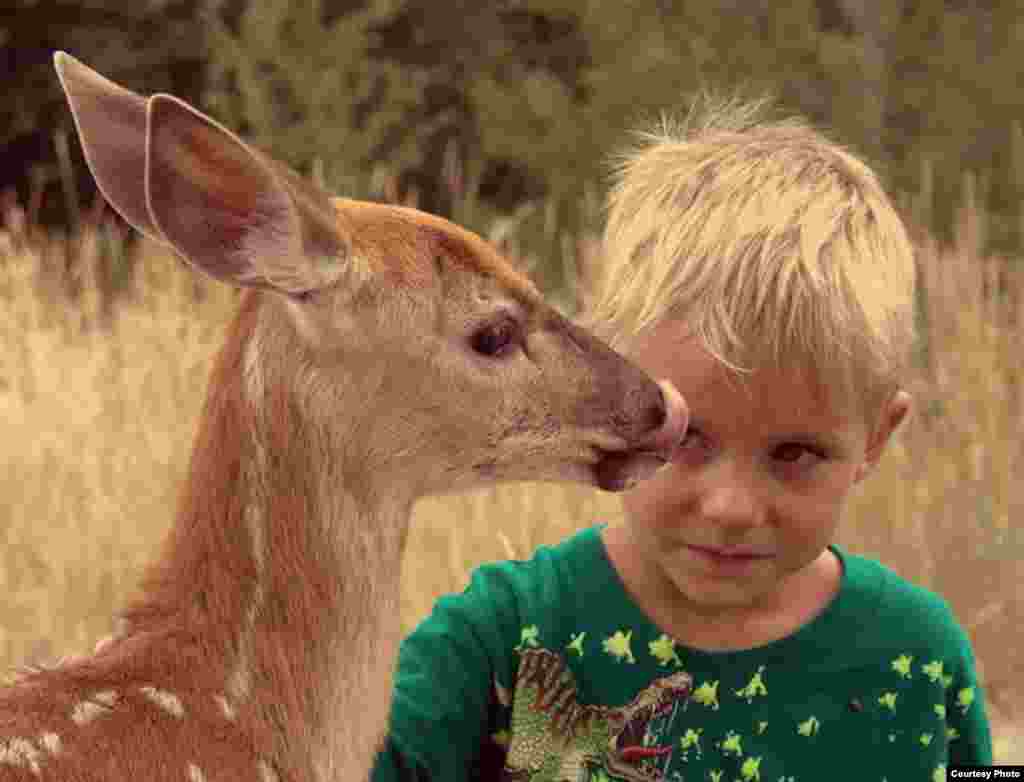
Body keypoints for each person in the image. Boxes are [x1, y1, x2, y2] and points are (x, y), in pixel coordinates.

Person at [371, 95, 993, 781]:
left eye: (795, 453)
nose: (730, 507)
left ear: (875, 439)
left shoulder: (918, 660)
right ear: (610, 397)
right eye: (686, 435)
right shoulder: (499, 642)